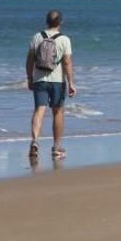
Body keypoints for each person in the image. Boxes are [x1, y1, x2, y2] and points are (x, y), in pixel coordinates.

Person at [26, 10, 76, 159]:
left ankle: (35, 141)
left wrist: (30, 78)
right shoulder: (64, 39)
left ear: (46, 21)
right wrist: (71, 82)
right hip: (57, 81)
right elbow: (67, 62)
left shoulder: (37, 37)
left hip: (39, 79)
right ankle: (56, 147)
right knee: (58, 112)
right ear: (60, 22)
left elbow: (29, 60)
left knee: (39, 111)